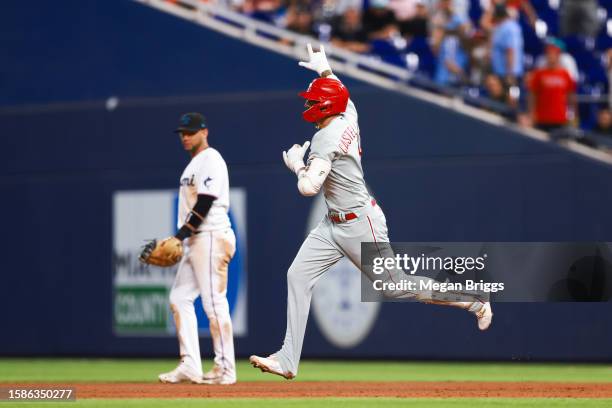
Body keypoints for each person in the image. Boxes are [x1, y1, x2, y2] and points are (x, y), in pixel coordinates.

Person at [248, 44, 493, 380]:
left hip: (361, 224)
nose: (308, 105)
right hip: (332, 223)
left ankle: (473, 301)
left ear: (325, 106)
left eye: (313, 101)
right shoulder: (348, 110)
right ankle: (288, 360)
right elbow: (342, 94)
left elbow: (308, 188)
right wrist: (326, 69)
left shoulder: (326, 139)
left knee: (396, 287)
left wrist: (296, 166)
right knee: (297, 276)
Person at [158, 113, 237, 385]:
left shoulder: (211, 159)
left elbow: (204, 203)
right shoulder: (193, 165)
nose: (185, 136)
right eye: (182, 132)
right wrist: (184, 238)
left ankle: (226, 369)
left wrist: (179, 236)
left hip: (211, 236)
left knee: (214, 303)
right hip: (196, 240)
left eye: (190, 131)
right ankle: (190, 365)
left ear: (205, 131)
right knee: (179, 298)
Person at [527, 41, 577, 132]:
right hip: (542, 117)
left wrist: (573, 115)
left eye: (553, 54)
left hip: (559, 117)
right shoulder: (539, 74)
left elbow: (571, 95)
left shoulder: (565, 75)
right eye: (549, 54)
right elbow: (532, 95)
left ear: (558, 56)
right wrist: (531, 113)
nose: (551, 56)